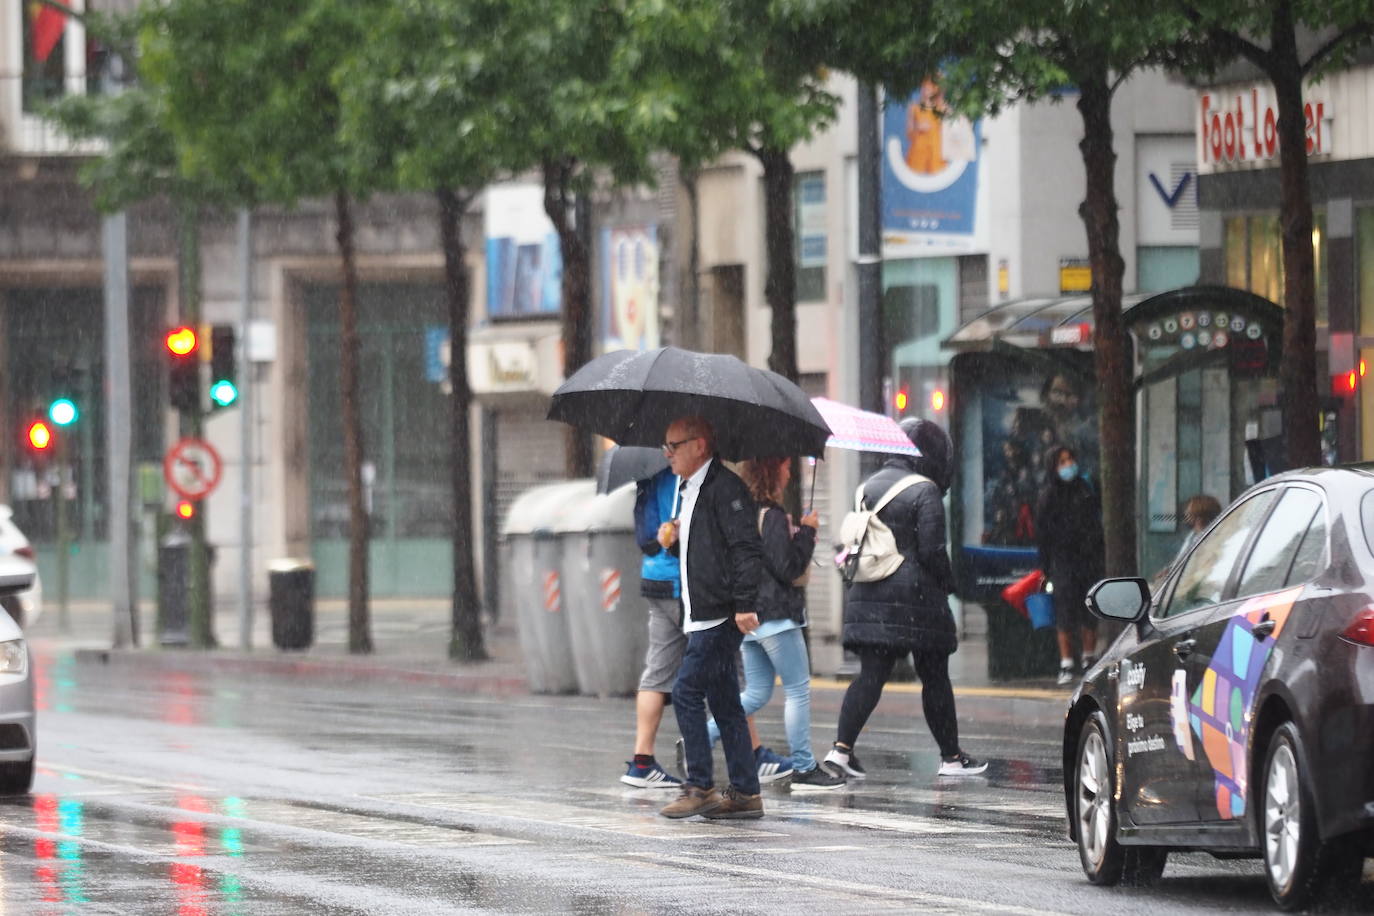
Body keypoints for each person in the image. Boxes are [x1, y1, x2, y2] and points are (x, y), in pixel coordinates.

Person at [822, 418, 989, 780]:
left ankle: (841, 751)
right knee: (935, 677)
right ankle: (951, 757)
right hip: (916, 601)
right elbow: (931, 551)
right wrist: (951, 583)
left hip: (869, 594)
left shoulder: (866, 487)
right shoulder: (925, 491)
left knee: (870, 676)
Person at [705, 457, 846, 790]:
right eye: (783, 468)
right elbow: (788, 567)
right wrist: (808, 532)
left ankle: (701, 735)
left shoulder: (741, 515)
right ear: (770, 475)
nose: (787, 473)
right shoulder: (773, 517)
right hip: (777, 618)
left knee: (756, 693)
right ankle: (803, 767)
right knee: (797, 689)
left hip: (751, 617)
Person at [656, 417, 768, 820]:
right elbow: (705, 552)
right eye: (665, 446)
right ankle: (745, 792)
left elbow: (745, 549)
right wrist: (673, 543)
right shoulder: (689, 490)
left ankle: (700, 785)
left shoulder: (725, 489)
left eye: (675, 445)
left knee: (685, 692)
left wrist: (744, 603)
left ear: (700, 445)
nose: (668, 453)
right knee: (724, 702)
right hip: (699, 611)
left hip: (720, 613)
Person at [620, 466, 686, 789]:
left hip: (654, 576)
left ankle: (642, 760)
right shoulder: (680, 476)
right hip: (678, 581)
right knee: (725, 666)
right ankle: (750, 752)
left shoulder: (648, 474)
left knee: (657, 672)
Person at [1035, 445, 1106, 685]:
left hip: (1088, 560)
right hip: (1062, 562)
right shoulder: (1049, 496)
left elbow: (1096, 525)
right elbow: (1043, 535)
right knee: (1064, 611)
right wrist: (1045, 568)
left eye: (1070, 460)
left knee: (1090, 609)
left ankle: (1088, 657)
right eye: (1062, 462)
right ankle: (1066, 663)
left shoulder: (1085, 489)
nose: (1068, 466)